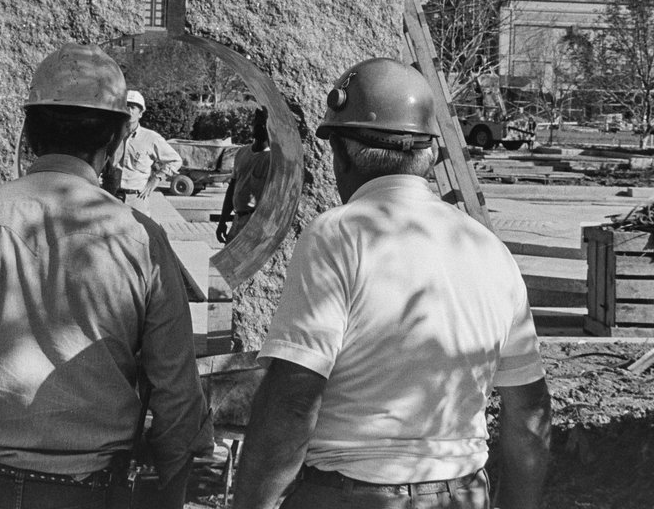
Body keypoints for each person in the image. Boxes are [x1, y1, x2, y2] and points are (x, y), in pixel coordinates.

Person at [0, 43, 210, 509]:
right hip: (92, 491)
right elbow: (176, 393)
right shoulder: (140, 239)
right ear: (117, 140)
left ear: (29, 129)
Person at [233, 57, 551, 509]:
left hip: (352, 494)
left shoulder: (337, 235)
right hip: (460, 495)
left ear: (340, 153)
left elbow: (293, 400)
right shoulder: (488, 249)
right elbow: (529, 414)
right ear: (431, 154)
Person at [109, 89, 183, 216]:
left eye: (133, 107)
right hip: (111, 198)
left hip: (137, 200)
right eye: (126, 107)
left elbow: (175, 160)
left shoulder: (151, 138)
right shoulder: (111, 136)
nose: (129, 111)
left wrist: (157, 178)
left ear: (140, 113)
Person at [215, 106, 271, 244]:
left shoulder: (271, 159)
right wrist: (222, 221)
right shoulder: (242, 153)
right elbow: (232, 188)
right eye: (257, 122)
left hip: (255, 223)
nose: (259, 126)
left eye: (264, 123)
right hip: (238, 219)